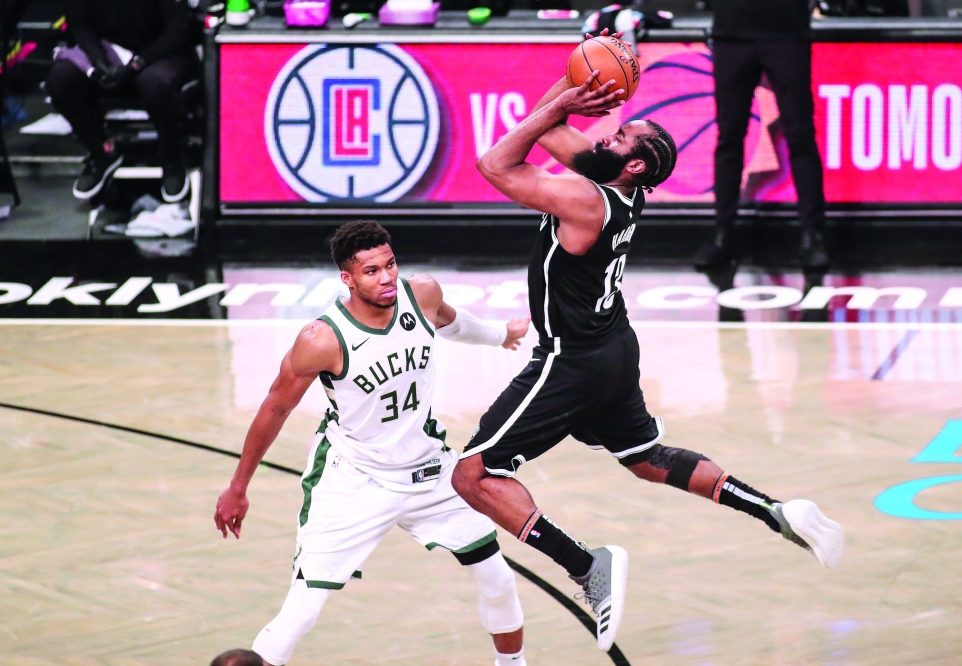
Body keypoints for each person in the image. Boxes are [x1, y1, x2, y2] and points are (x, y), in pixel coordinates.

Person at [451, 58, 845, 653]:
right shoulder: (617, 185)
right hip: (613, 347)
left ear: (633, 162)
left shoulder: (588, 200)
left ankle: (587, 566)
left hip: (572, 359)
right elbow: (545, 122)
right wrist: (577, 85)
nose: (605, 132)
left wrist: (562, 105)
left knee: (474, 475)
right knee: (644, 457)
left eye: (618, 135)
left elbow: (495, 164)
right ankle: (775, 510)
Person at [214, 221, 533, 666]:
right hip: (355, 477)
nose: (386, 278)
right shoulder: (321, 339)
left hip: (428, 469)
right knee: (303, 609)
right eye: (371, 271)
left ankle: (512, 664)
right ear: (347, 278)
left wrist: (503, 336)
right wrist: (238, 487)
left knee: (497, 577)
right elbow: (274, 409)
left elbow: (453, 323)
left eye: (390, 264)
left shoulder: (420, 294)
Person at [693, 0, 828, 283]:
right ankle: (723, 233)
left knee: (800, 135)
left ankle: (812, 236)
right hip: (732, 32)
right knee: (729, 138)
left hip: (786, 31)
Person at [48, 0, 195, 202]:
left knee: (154, 84)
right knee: (60, 79)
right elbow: (80, 24)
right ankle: (102, 151)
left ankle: (170, 156)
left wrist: (138, 63)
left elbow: (178, 30)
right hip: (109, 55)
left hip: (158, 56)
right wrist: (98, 59)